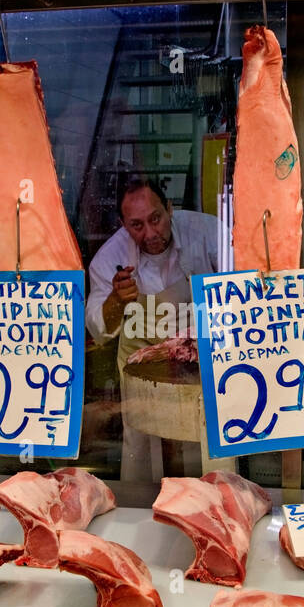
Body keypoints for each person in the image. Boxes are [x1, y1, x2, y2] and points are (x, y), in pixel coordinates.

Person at [85, 175, 222, 481]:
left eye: (155, 219)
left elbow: (242, 284)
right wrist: (116, 301)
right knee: (143, 452)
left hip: (201, 367)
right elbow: (97, 328)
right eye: (137, 225)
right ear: (123, 224)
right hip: (142, 376)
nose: (150, 233)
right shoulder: (110, 258)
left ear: (169, 209)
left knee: (202, 447)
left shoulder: (208, 232)